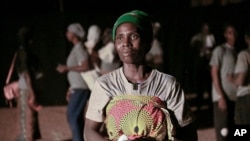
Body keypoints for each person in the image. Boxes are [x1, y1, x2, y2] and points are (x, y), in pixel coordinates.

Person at [84, 10, 197, 141]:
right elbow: (89, 130)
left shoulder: (167, 84)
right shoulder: (105, 85)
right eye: (120, 37)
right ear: (115, 44)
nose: (126, 43)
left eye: (134, 36)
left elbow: (189, 134)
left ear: (147, 43)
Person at [56, 23, 91, 141]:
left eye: (68, 31)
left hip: (81, 87)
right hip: (77, 87)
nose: (67, 34)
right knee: (76, 117)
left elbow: (86, 66)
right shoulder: (76, 48)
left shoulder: (79, 48)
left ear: (74, 34)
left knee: (72, 116)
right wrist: (70, 87)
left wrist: (67, 68)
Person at [11, 26, 43, 141]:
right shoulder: (25, 52)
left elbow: (26, 73)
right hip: (28, 87)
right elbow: (29, 73)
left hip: (25, 87)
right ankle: (27, 137)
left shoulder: (22, 51)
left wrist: (31, 90)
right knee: (28, 115)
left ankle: (26, 137)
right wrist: (33, 91)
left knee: (26, 115)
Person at [209, 23, 237, 141]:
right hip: (222, 97)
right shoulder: (220, 50)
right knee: (223, 132)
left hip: (234, 97)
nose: (233, 35)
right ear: (225, 35)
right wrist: (221, 96)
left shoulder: (235, 52)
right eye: (230, 33)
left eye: (234, 32)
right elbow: (214, 73)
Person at [190, 22, 216, 112]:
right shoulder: (197, 37)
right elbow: (193, 44)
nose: (206, 31)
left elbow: (212, 47)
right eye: (205, 29)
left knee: (209, 86)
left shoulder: (211, 37)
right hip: (200, 65)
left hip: (208, 64)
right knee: (199, 87)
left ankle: (210, 106)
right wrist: (200, 47)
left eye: (207, 29)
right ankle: (199, 106)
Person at [233, 26, 250, 125]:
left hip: (246, 97)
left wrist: (232, 79)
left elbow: (240, 81)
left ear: (247, 38)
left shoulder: (244, 55)